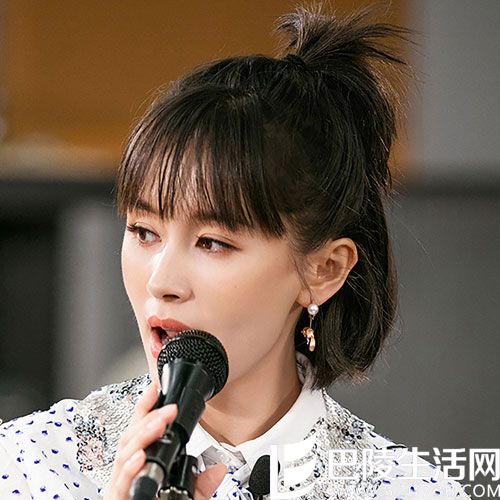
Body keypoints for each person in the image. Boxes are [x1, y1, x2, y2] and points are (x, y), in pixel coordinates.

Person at [0, 5, 471, 500]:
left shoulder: (410, 491)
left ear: (324, 269)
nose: (161, 281)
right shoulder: (28, 466)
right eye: (143, 231)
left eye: (212, 242)